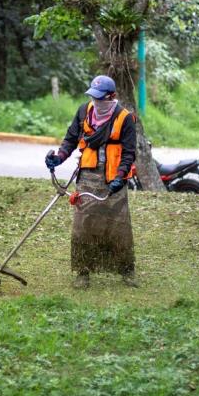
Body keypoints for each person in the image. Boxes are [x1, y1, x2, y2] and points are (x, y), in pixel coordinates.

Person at [45, 75, 138, 288]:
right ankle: (83, 272)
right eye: (93, 97)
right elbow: (70, 139)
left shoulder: (125, 118)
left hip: (114, 180)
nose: (96, 102)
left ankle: (126, 271)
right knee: (82, 226)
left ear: (111, 96)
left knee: (118, 226)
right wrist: (58, 157)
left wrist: (120, 177)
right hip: (87, 177)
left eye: (100, 98)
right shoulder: (83, 111)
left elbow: (129, 153)